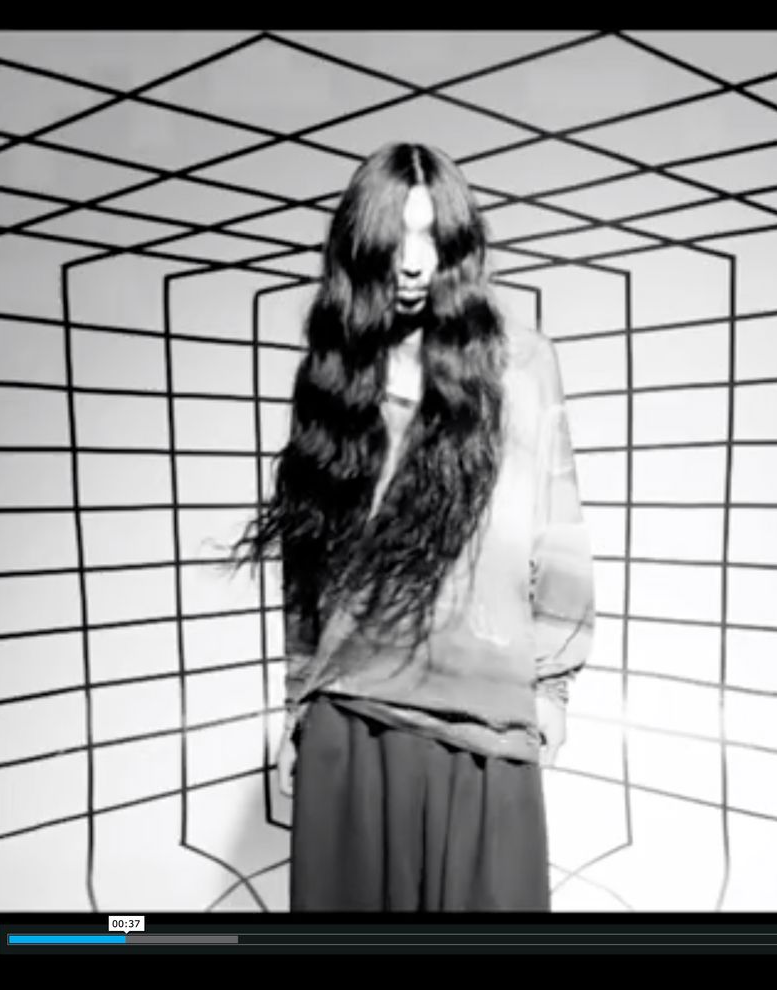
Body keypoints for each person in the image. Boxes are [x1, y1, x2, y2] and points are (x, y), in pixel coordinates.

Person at [229, 142, 595, 912]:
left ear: (459, 246)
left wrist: (554, 687)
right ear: (363, 243)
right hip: (350, 720)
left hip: (481, 723)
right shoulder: (331, 375)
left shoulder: (520, 366)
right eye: (396, 237)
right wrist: (299, 702)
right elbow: (309, 556)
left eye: (433, 238)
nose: (414, 263)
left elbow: (556, 534)